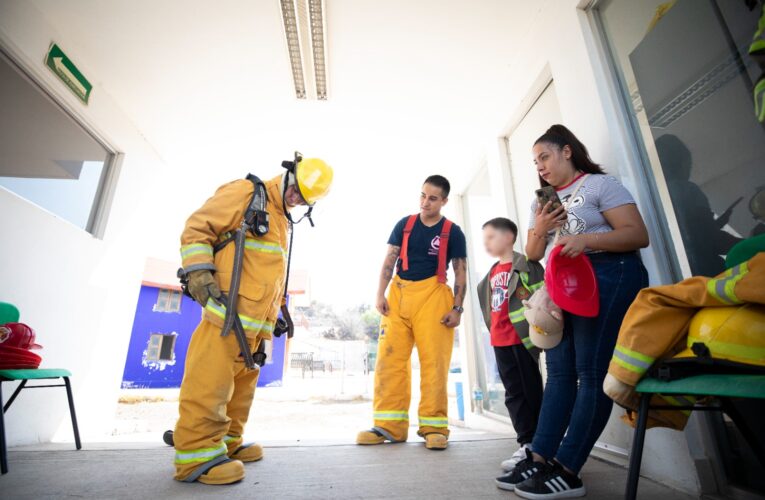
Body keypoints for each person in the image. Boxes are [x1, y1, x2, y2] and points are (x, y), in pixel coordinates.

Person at [498, 125, 649, 499]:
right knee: (560, 371)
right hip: (564, 283)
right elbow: (533, 254)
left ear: (567, 151)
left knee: (590, 372)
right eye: (535, 162)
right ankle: (541, 456)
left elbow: (636, 234)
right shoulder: (543, 201)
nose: (541, 166)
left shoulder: (600, 185)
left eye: (545, 157)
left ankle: (568, 469)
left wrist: (585, 240)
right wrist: (541, 227)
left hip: (609, 274)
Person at [172, 156, 333, 485]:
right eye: (296, 191)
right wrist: (199, 271)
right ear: (288, 173)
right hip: (225, 317)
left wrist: (279, 313)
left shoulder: (282, 221)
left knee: (240, 393)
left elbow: (268, 273)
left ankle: (227, 444)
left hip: (255, 330)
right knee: (209, 386)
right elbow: (197, 227)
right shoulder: (246, 193)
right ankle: (196, 457)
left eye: (304, 199)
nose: (296, 200)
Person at [356, 175, 468, 450]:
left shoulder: (452, 232)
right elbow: (390, 259)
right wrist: (380, 293)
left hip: (434, 297)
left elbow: (461, 271)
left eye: (432, 198)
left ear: (444, 201)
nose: (425, 202)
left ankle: (433, 427)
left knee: (434, 364)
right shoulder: (404, 225)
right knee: (389, 361)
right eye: (422, 195)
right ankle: (389, 426)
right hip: (399, 294)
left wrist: (457, 308)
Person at [476, 217, 545, 472]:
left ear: (509, 237)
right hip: (500, 341)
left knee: (531, 391)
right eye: (484, 240)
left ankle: (542, 443)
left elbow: (543, 297)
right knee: (513, 393)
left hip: (522, 339)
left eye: (491, 237)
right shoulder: (490, 275)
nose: (486, 244)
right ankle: (526, 443)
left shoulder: (526, 265)